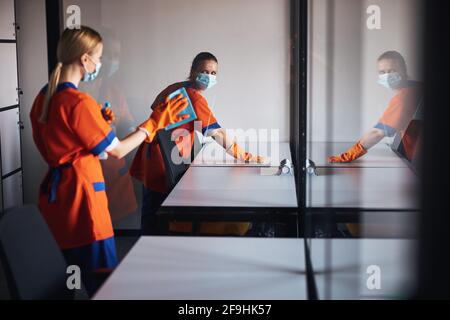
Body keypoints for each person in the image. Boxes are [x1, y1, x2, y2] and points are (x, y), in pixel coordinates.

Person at [29, 26, 188, 295]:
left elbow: (79, 145)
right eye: (99, 57)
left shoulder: (44, 97)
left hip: (56, 202)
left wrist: (98, 124)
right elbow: (116, 151)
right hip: (83, 203)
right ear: (84, 59)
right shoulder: (78, 102)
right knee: (103, 284)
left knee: (65, 277)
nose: (100, 64)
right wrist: (153, 124)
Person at [130, 52, 265, 235]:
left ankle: (143, 249)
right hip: (163, 163)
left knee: (151, 213)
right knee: (158, 216)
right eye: (204, 71)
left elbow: (156, 108)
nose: (209, 76)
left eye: (213, 73)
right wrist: (246, 156)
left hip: (151, 156)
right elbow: (217, 133)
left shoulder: (176, 87)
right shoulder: (194, 97)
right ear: (193, 71)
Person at [328, 51, 422, 163]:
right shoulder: (416, 88)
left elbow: (378, 132)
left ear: (403, 70)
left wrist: (348, 155)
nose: (387, 75)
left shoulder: (404, 98)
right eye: (382, 72)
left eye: (392, 70)